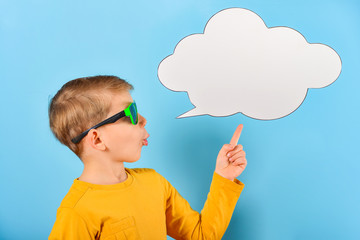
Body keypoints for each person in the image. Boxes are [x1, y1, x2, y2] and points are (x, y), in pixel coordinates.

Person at [48, 75, 247, 240]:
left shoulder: (155, 183)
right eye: (130, 113)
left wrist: (224, 177)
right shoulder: (76, 213)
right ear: (97, 139)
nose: (143, 119)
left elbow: (201, 235)